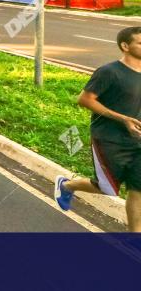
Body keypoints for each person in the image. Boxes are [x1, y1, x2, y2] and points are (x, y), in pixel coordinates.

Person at [55, 27, 141, 232]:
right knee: (107, 188)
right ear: (125, 46)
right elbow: (84, 100)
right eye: (140, 43)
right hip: (109, 138)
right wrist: (123, 119)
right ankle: (67, 185)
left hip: (138, 140)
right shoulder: (109, 72)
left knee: (138, 190)